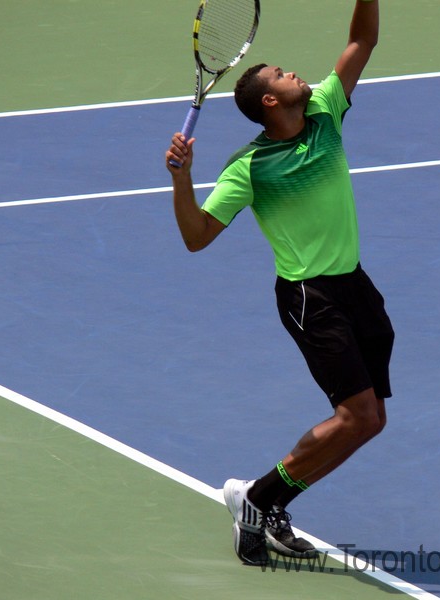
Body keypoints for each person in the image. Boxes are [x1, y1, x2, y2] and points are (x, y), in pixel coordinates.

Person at [165, 0, 392, 567]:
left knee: (370, 422)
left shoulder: (324, 110)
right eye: (283, 75)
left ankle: (264, 502)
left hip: (355, 287)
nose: (297, 74)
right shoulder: (249, 167)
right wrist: (183, 178)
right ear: (270, 101)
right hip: (311, 299)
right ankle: (258, 499)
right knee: (357, 417)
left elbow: (362, 41)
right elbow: (197, 236)